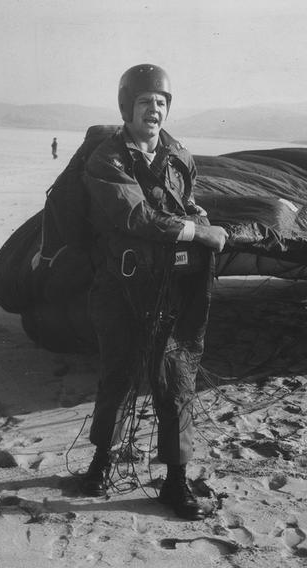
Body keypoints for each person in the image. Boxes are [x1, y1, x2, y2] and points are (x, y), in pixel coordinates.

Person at [78, 63, 230, 520]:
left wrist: (195, 214)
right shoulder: (106, 159)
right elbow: (137, 217)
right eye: (146, 102)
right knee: (118, 375)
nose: (155, 110)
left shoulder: (180, 155)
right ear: (128, 107)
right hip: (120, 286)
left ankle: (176, 482)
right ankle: (100, 465)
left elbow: (181, 201)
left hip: (171, 286)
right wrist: (198, 233)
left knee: (177, 377)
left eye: (161, 102)